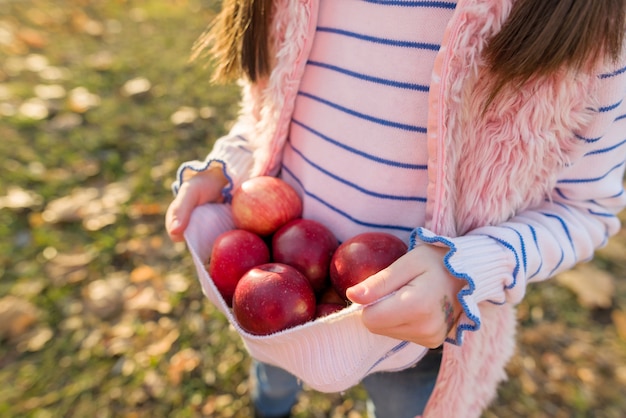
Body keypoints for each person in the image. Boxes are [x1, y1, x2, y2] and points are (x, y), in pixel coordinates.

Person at [166, 1, 626, 417]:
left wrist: (463, 272)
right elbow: (267, 114)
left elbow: (586, 209)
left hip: (419, 332)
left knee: (399, 408)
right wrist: (225, 167)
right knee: (273, 379)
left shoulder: (590, 27)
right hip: (276, 293)